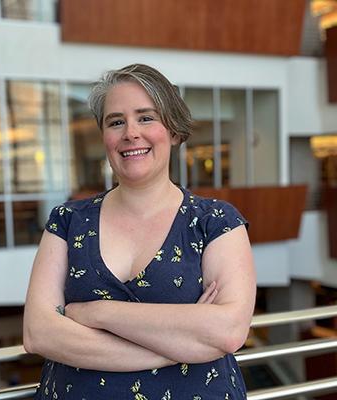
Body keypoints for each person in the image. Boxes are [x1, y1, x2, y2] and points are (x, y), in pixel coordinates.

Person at [23, 64, 256, 399]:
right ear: (104, 136)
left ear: (174, 131)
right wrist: (184, 343)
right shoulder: (68, 221)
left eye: (146, 117)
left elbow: (228, 331)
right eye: (116, 121)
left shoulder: (215, 222)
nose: (130, 132)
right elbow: (38, 334)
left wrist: (95, 313)